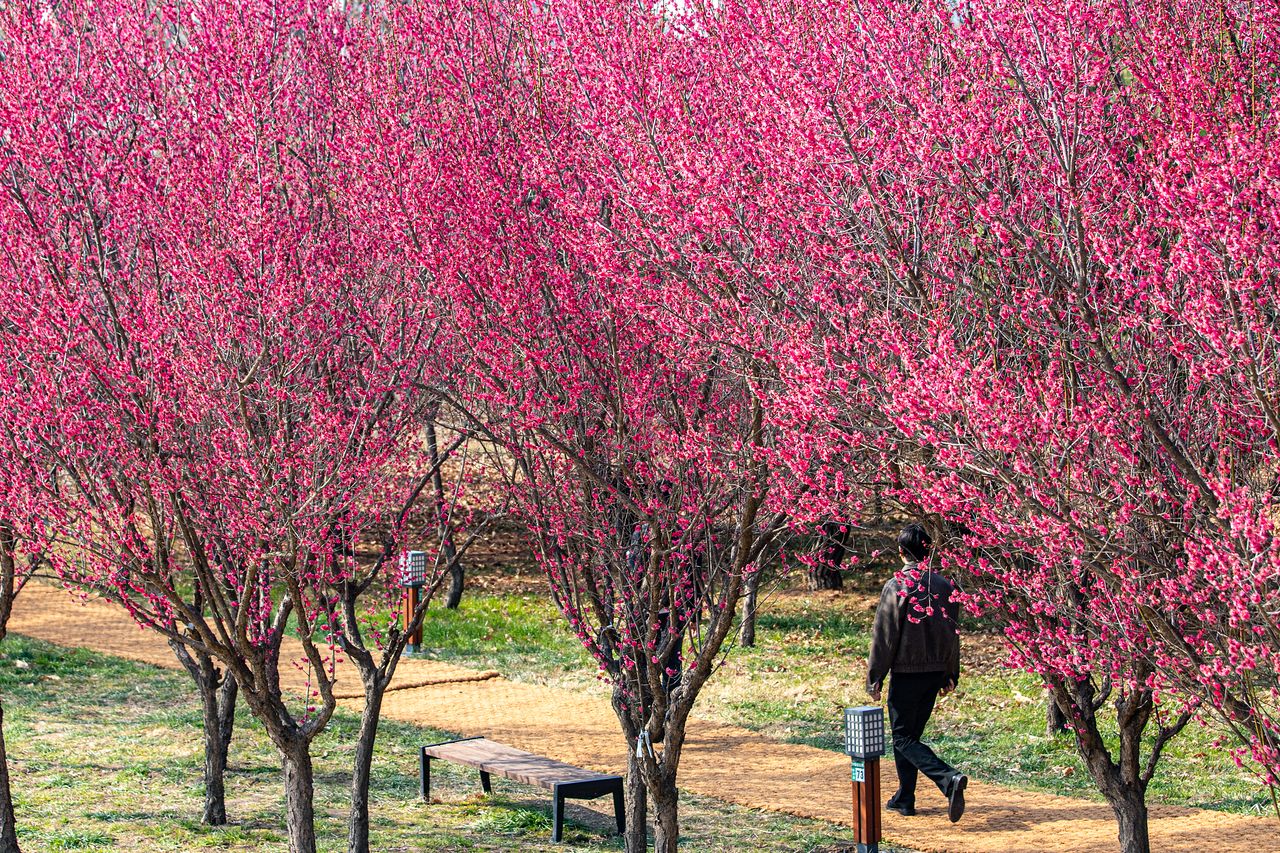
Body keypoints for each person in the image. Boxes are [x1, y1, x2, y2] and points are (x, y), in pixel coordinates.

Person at [866, 522, 968, 822]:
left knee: (902, 738)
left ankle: (948, 778)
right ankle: (905, 798)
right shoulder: (945, 585)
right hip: (935, 672)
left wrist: (875, 677)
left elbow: (885, 635)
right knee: (910, 736)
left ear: (901, 552)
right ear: (928, 550)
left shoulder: (897, 584)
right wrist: (950, 673)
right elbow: (953, 633)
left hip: (907, 673)